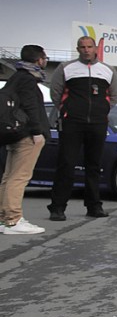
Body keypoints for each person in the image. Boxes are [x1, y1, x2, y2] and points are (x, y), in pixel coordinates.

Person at [47, 36, 117, 221]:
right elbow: (55, 92)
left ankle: (94, 206)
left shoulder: (107, 70)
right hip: (72, 122)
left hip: (97, 123)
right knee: (66, 164)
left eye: (89, 46)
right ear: (78, 49)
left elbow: (114, 95)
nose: (86, 50)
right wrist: (66, 110)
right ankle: (57, 207)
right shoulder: (66, 68)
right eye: (82, 47)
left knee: (93, 166)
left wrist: (102, 111)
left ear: (95, 48)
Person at [0, 45, 50, 235]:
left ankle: (4, 219)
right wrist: (37, 132)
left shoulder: (16, 77)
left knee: (8, 177)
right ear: (39, 60)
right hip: (27, 135)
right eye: (44, 58)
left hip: (15, 134)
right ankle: (14, 220)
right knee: (19, 177)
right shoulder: (28, 80)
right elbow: (31, 107)